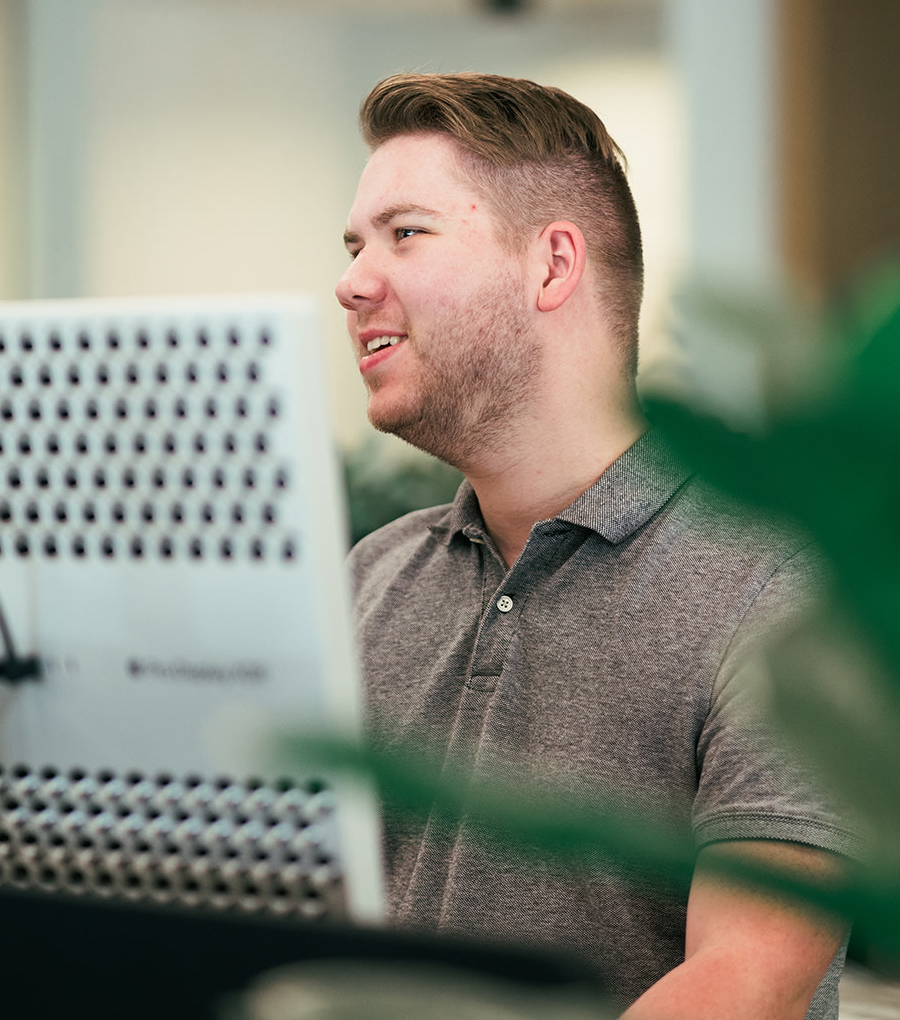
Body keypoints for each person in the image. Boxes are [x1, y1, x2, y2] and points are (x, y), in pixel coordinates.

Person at [335, 72, 858, 1019]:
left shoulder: (783, 585)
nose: (352, 280)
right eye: (355, 244)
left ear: (552, 266)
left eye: (406, 233)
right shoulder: (372, 579)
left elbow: (747, 980)